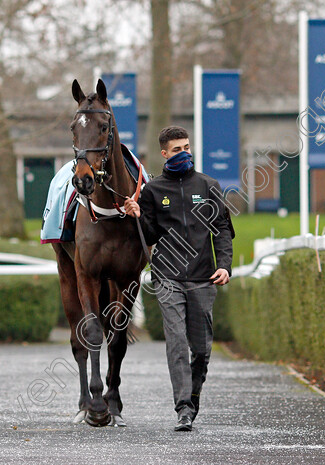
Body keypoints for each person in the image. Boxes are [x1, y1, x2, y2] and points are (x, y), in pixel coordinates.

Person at [123, 126, 234, 432]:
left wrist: (224, 265)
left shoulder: (209, 185)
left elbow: (223, 230)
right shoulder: (153, 191)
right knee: (176, 341)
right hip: (167, 277)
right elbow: (148, 235)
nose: (184, 153)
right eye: (177, 149)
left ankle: (193, 395)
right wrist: (136, 216)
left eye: (187, 147)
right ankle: (183, 408)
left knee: (201, 349)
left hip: (203, 278)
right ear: (164, 154)